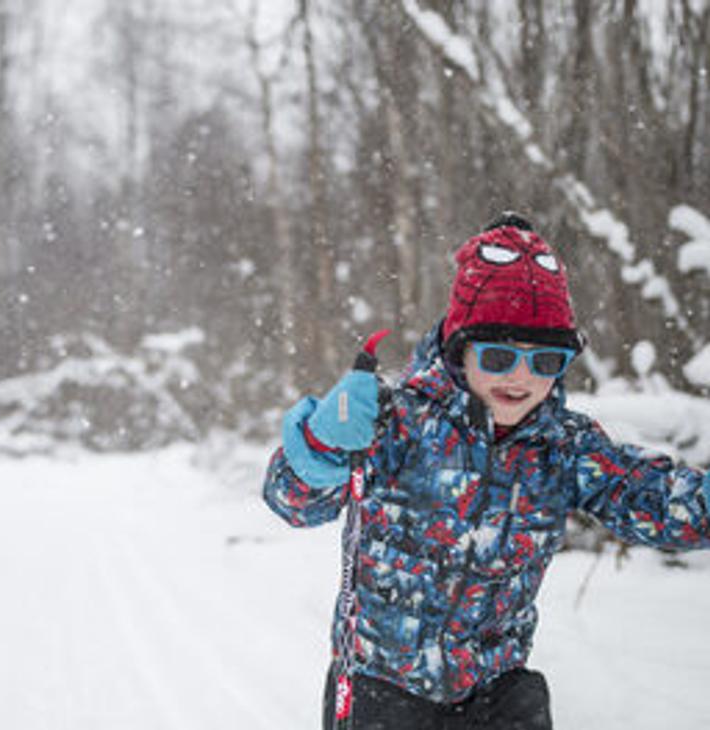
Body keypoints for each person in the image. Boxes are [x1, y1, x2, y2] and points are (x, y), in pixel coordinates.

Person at [262, 213, 710, 729]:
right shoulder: (395, 421)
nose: (521, 377)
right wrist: (322, 445)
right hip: (381, 684)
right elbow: (290, 501)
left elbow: (656, 500)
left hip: (494, 691)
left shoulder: (564, 447)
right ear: (459, 350)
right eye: (498, 356)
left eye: (546, 362)